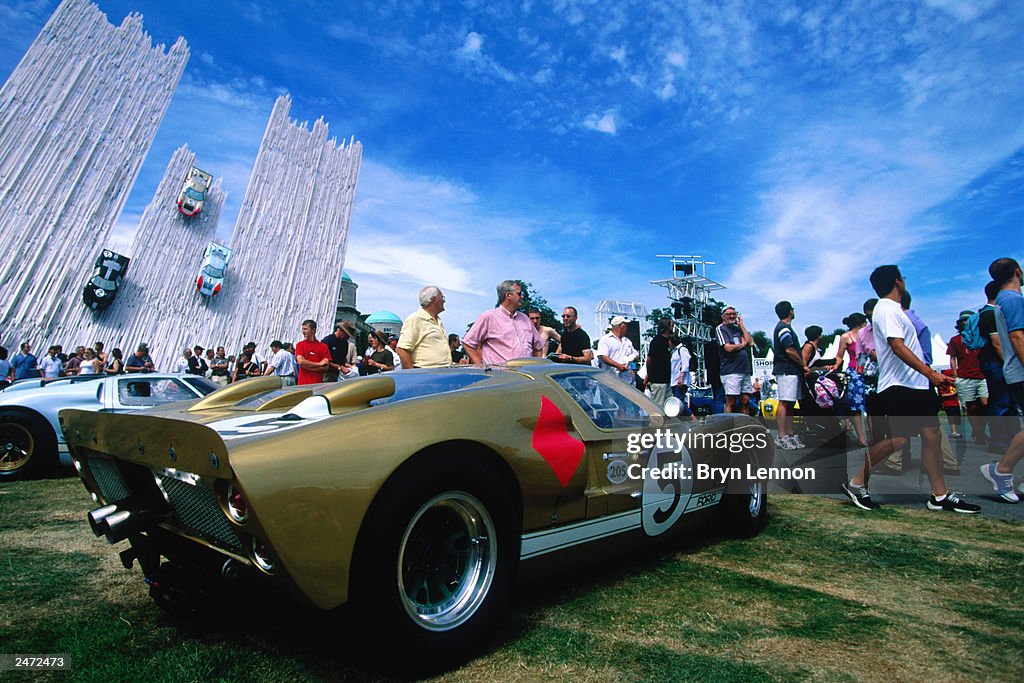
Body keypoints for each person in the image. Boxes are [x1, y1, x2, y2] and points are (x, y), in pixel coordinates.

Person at [841, 264, 979, 513]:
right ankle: (856, 483)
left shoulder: (894, 310)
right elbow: (897, 345)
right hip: (899, 385)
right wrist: (931, 373)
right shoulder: (885, 309)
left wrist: (926, 378)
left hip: (915, 384)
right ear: (898, 282)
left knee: (932, 436)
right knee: (898, 439)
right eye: (902, 277)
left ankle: (939, 495)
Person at [979, 257, 1024, 502]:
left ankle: (1003, 470)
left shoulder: (1004, 301)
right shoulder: (1013, 299)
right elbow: (1018, 338)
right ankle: (1002, 470)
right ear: (1018, 271)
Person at [463, 280, 544, 364]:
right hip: (501, 375)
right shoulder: (489, 317)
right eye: (519, 294)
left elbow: (538, 347)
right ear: (508, 295)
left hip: (526, 375)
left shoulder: (525, 318)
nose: (522, 297)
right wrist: (480, 366)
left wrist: (535, 367)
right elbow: (468, 343)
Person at [772, 301, 810, 450]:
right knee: (784, 402)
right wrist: (803, 364)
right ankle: (781, 436)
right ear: (790, 311)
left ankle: (789, 433)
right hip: (787, 369)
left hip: (791, 370)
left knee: (790, 403)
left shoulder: (785, 328)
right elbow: (789, 350)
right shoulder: (783, 328)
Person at [946, 311, 989, 442]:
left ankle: (980, 429)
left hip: (982, 375)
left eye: (968, 320)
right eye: (963, 320)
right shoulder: (955, 340)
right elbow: (952, 358)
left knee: (985, 403)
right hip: (965, 376)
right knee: (971, 407)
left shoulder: (981, 337)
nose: (965, 322)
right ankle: (978, 432)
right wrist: (955, 375)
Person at [832, 313, 870, 447]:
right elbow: (839, 356)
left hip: (869, 372)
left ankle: (874, 436)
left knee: (872, 405)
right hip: (854, 373)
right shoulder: (846, 337)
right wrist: (834, 368)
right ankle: (861, 437)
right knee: (856, 407)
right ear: (859, 323)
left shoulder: (868, 334)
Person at [397, 286, 451, 369]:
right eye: (442, 297)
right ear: (433, 299)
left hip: (440, 373)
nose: (444, 301)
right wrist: (412, 375)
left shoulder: (437, 321)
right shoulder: (415, 319)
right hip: (426, 374)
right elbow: (402, 349)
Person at [716, 307, 755, 414]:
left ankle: (745, 425)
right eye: (729, 314)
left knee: (745, 400)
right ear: (723, 316)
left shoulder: (738, 329)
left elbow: (750, 343)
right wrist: (742, 344)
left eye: (734, 314)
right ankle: (728, 426)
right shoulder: (721, 329)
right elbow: (728, 348)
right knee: (731, 401)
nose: (732, 316)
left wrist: (741, 326)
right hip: (731, 371)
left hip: (744, 370)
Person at [596, 316, 639, 383]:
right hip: (610, 381)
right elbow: (603, 357)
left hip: (626, 381)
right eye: (625, 325)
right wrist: (618, 365)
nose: (627, 327)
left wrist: (631, 358)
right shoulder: (605, 340)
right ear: (620, 326)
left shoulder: (627, 341)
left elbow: (636, 354)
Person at [645, 318, 675, 406]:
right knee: (658, 406)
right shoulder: (657, 341)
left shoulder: (668, 341)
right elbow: (649, 360)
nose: (673, 327)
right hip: (658, 380)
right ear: (667, 327)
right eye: (671, 325)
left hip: (667, 379)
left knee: (667, 406)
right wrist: (649, 375)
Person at [296, 319, 331, 385]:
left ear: (313, 330)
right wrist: (319, 364)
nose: (303, 332)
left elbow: (326, 367)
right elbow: (300, 362)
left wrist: (306, 366)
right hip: (302, 384)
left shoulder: (323, 346)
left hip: (317, 384)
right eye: (302, 329)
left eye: (306, 329)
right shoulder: (300, 345)